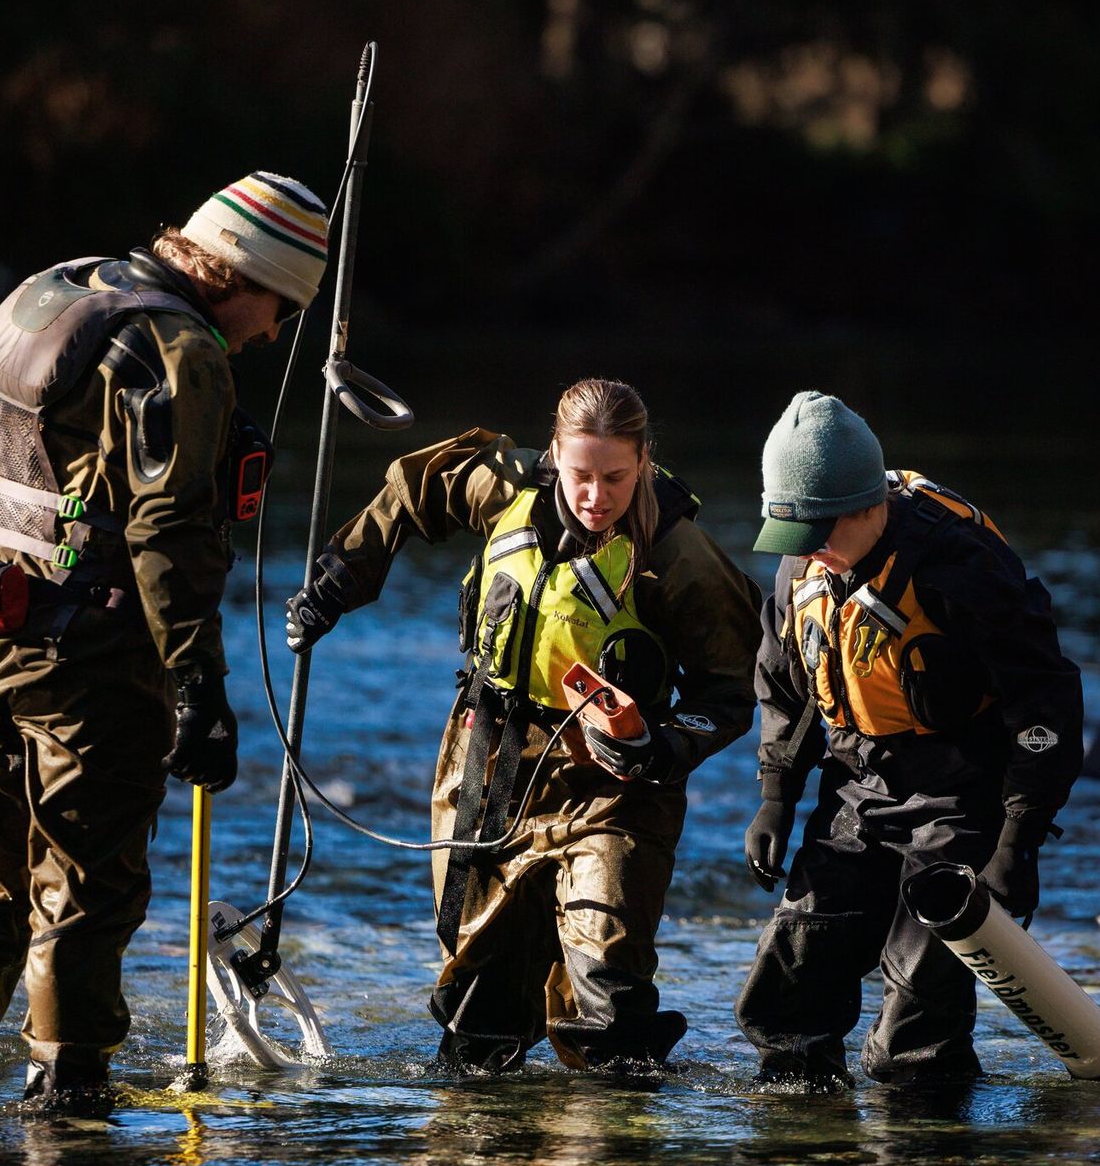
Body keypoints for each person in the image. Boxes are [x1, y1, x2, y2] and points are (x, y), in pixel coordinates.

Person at [0, 172, 330, 1113]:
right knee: (86, 887)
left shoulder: (66, 288)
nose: (275, 332)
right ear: (245, 277)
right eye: (282, 307)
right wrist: (197, 689)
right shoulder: (180, 351)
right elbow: (168, 535)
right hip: (84, 661)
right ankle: (70, 1096)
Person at [282, 378, 759, 1072]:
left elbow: (733, 689)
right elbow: (414, 488)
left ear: (645, 462)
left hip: (615, 790)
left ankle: (608, 1157)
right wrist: (335, 584)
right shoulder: (506, 489)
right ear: (554, 456)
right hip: (488, 766)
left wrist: (659, 742)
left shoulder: (681, 557)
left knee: (608, 1001)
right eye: (581, 475)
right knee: (480, 1020)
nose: (597, 497)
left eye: (617, 478)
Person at [733, 391, 1086, 1087]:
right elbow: (786, 685)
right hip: (856, 776)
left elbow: (1045, 702)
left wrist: (1018, 841)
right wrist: (776, 794)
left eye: (820, 538)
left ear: (871, 508)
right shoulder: (803, 558)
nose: (811, 558)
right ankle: (803, 1164)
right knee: (794, 985)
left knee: (912, 1041)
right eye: (793, 540)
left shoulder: (962, 568)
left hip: (961, 786)